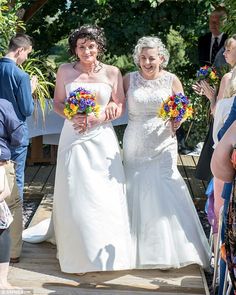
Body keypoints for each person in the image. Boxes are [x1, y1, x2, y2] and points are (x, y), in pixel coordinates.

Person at [122, 36, 211, 269]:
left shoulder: (172, 79)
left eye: (152, 58)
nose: (147, 62)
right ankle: (132, 244)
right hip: (135, 141)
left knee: (165, 186)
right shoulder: (128, 79)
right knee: (135, 186)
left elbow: (182, 107)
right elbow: (114, 103)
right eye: (143, 58)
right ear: (137, 59)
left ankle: (168, 249)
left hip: (164, 142)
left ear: (161, 58)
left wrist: (178, 119)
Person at [50, 25, 131, 274]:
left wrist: (104, 117)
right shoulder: (64, 71)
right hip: (73, 135)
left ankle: (107, 246)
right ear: (75, 49)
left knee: (104, 191)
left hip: (102, 137)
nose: (87, 51)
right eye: (81, 47)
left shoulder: (113, 72)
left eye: (91, 46)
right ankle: (76, 249)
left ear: (99, 47)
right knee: (74, 188)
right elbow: (57, 103)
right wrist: (72, 116)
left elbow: (119, 103)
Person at [0, 33, 37, 263]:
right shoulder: (20, 75)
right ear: (21, 50)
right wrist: (31, 88)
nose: (26, 58)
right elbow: (27, 109)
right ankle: (13, 251)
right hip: (14, 137)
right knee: (15, 189)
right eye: (28, 54)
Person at [0, 98, 24, 289]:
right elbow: (17, 135)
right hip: (0, 165)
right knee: (11, 207)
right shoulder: (3, 105)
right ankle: (14, 253)